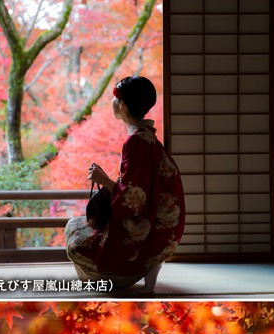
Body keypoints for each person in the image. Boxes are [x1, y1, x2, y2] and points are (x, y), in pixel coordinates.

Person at [65, 76, 185, 293]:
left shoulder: (137, 141)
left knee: (76, 244)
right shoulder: (144, 137)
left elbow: (134, 200)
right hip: (164, 221)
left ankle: (135, 269)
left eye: (115, 98)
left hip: (153, 227)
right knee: (76, 226)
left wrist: (104, 180)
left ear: (122, 104)